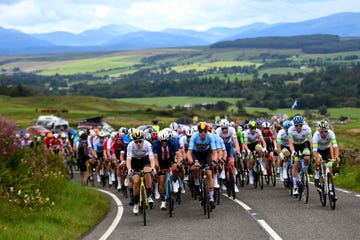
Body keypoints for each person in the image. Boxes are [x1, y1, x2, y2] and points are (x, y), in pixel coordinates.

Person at [187, 122, 217, 209]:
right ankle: (196, 184)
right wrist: (192, 163)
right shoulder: (194, 136)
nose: (202, 133)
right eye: (201, 131)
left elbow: (214, 152)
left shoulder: (210, 136)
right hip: (196, 154)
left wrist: (214, 161)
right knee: (196, 168)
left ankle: (211, 198)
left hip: (206, 154)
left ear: (207, 131)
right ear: (198, 131)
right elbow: (189, 153)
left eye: (204, 131)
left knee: (208, 173)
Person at [126, 129, 156, 215]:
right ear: (133, 141)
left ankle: (149, 194)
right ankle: (136, 203)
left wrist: (152, 168)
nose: (138, 143)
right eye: (136, 142)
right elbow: (128, 160)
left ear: (143, 140)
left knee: (147, 171)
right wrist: (129, 169)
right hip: (135, 162)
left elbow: (151, 158)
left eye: (140, 141)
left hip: (144, 160)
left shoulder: (148, 144)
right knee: (135, 181)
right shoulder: (130, 145)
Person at [153, 130, 181, 210]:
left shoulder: (173, 142)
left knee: (176, 168)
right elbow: (155, 157)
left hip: (170, 159)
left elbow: (178, 155)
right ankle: (163, 202)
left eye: (166, 141)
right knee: (161, 180)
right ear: (159, 140)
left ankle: (175, 181)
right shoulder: (155, 144)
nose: (164, 143)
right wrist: (157, 167)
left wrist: (178, 165)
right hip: (161, 161)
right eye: (162, 141)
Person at [312, 120, 340, 197]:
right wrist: (317, 158)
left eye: (325, 131)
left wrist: (337, 156)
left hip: (327, 151)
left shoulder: (331, 133)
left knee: (330, 169)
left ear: (328, 130)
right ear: (319, 131)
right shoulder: (316, 136)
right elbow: (314, 151)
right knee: (318, 162)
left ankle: (331, 190)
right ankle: (317, 175)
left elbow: (335, 146)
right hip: (318, 151)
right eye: (322, 132)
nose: (324, 133)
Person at [288, 114, 312, 196]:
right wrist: (293, 151)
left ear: (303, 124)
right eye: (296, 125)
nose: (298, 127)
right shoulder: (291, 130)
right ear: (294, 125)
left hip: (303, 144)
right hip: (295, 146)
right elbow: (290, 143)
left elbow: (311, 142)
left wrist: (312, 150)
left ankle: (305, 172)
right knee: (295, 164)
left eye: (300, 125)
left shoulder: (307, 129)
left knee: (307, 157)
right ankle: (295, 186)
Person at [215, 119, 241, 192]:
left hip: (229, 145)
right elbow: (217, 143)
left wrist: (237, 150)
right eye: (223, 128)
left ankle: (234, 184)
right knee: (221, 160)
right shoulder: (217, 131)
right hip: (221, 146)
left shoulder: (232, 130)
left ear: (228, 127)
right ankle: (222, 173)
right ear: (221, 128)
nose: (225, 130)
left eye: (226, 128)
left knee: (232, 163)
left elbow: (235, 142)